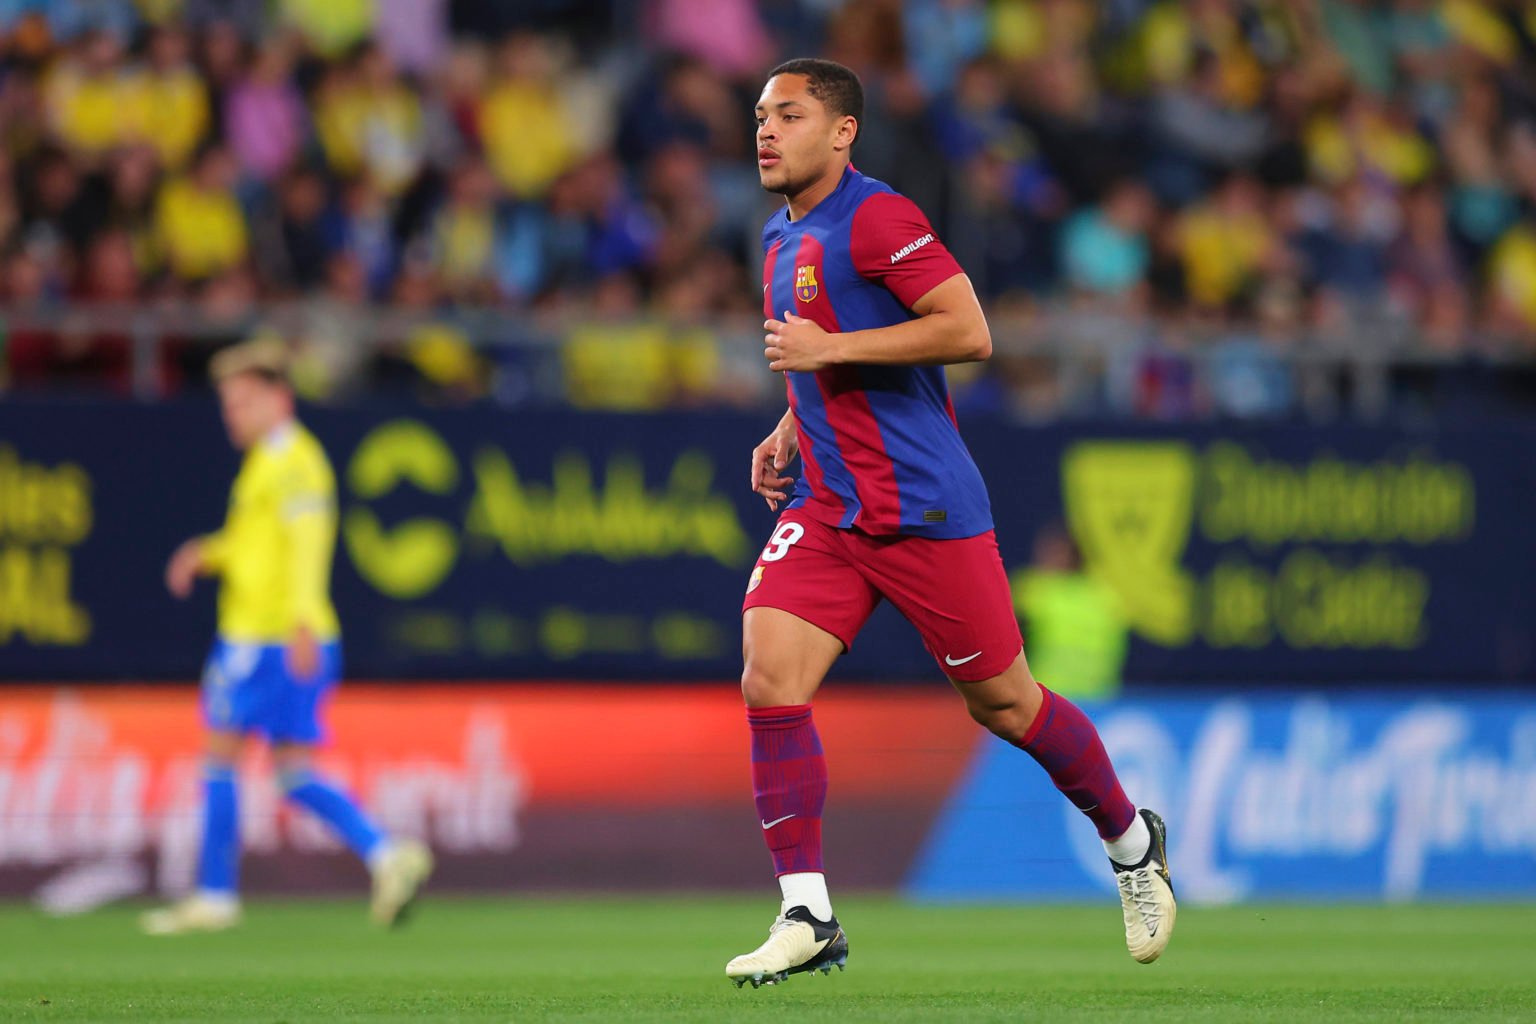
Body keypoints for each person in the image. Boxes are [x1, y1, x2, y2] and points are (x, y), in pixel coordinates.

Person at [728, 59, 1175, 987]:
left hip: (924, 508)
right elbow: (820, 358)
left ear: (843, 131)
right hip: (831, 507)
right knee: (769, 675)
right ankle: (806, 909)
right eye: (761, 116)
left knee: (1007, 705)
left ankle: (1133, 844)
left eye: (791, 115)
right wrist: (788, 425)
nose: (767, 130)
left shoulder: (879, 217)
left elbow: (968, 329)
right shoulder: (777, 234)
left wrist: (832, 349)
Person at [142, 339, 432, 935]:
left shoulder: (296, 463)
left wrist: (300, 619)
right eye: (228, 405)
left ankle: (216, 896)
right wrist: (209, 553)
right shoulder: (270, 461)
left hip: (270, 638)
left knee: (218, 755)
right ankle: (385, 853)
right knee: (294, 772)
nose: (233, 416)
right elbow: (256, 544)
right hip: (280, 634)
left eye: (244, 402)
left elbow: (307, 547)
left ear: (280, 398)